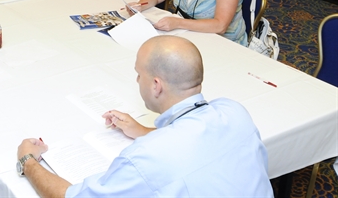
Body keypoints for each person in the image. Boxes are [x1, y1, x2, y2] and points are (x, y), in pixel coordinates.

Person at [17, 35, 273, 198]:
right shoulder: (235, 111)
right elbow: (196, 138)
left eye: (139, 74)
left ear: (156, 85)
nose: (137, 80)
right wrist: (141, 130)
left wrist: (28, 161)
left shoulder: (144, 157)